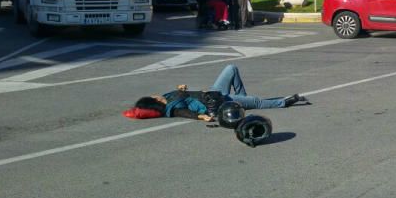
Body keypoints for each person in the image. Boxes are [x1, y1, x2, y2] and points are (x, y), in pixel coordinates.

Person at [127, 64, 308, 120]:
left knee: (231, 68)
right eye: (153, 97)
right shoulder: (172, 108)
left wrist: (182, 88)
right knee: (257, 101)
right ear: (153, 103)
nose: (155, 95)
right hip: (218, 102)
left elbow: (185, 95)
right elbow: (186, 113)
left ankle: (243, 100)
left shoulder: (167, 97)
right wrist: (202, 117)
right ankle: (283, 102)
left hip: (213, 92)